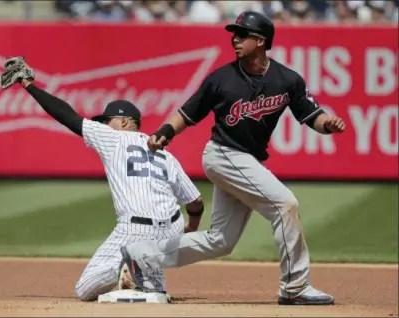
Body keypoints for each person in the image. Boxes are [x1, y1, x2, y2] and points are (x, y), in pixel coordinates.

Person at [119, 11, 346, 306]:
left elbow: (312, 115)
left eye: (242, 33)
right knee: (285, 204)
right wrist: (165, 132)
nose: (234, 39)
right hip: (223, 155)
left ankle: (140, 255)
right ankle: (295, 286)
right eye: (233, 33)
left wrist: (328, 123)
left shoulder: (287, 79)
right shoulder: (222, 78)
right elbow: (187, 113)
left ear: (261, 40)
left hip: (247, 160)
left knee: (221, 241)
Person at [0, 57, 205, 302]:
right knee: (154, 293)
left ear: (125, 122)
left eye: (108, 121)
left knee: (84, 289)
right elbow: (196, 202)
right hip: (171, 228)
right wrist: (189, 229)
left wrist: (28, 84)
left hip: (136, 228)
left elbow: (67, 116)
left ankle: (133, 264)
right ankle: (143, 273)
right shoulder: (166, 153)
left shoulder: (113, 138)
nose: (104, 125)